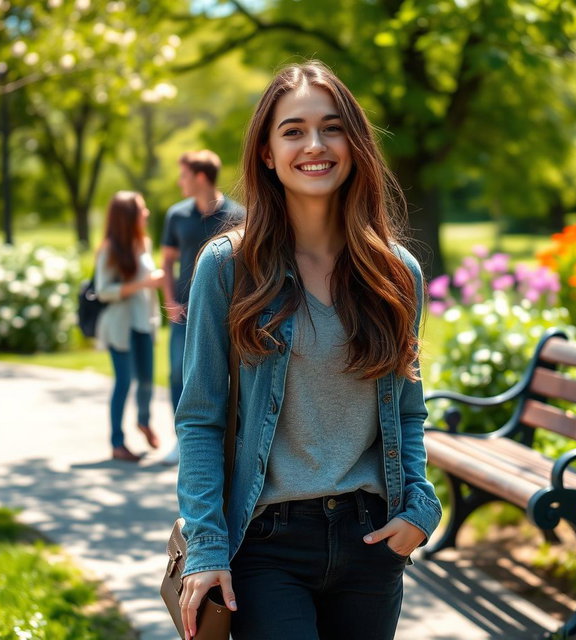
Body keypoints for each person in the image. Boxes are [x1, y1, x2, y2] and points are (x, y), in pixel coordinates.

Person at [175, 61, 442, 640]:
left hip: (372, 540)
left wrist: (419, 510)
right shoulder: (227, 268)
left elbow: (406, 411)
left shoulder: (398, 273)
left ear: (355, 143)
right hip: (266, 544)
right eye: (293, 130)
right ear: (267, 153)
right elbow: (200, 418)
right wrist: (207, 547)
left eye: (332, 127)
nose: (314, 145)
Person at [160, 150, 245, 465]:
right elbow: (167, 262)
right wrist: (169, 300)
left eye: (183, 175)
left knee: (228, 377)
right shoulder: (176, 216)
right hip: (183, 313)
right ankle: (182, 440)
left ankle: (228, 440)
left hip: (228, 313)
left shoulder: (238, 216)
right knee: (177, 374)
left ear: (199, 177)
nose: (179, 181)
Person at [95, 191, 164, 462]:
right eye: (142, 210)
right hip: (119, 326)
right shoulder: (111, 249)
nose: (146, 214)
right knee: (124, 382)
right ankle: (117, 443)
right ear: (128, 216)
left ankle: (144, 421)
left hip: (143, 324)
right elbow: (103, 290)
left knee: (146, 380)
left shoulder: (143, 243)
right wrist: (144, 283)